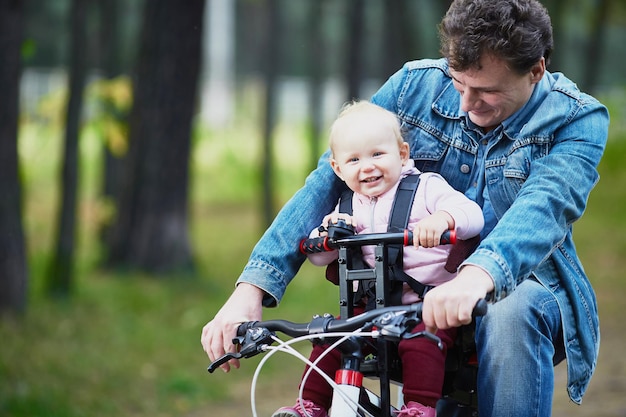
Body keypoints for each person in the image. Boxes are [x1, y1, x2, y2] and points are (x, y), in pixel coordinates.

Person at [201, 1, 609, 416]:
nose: (467, 103)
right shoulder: (413, 86)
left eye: (487, 91)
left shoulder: (577, 120)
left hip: (521, 284)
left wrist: (475, 277)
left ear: (536, 70)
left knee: (511, 311)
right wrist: (251, 290)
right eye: (458, 83)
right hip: (408, 293)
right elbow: (326, 180)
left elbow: (543, 210)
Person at [272, 101, 484, 417]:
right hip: (368, 308)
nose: (367, 166)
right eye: (354, 159)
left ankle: (418, 408)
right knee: (330, 337)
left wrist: (443, 219)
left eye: (377, 154)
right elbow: (319, 258)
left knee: (423, 341)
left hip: (427, 305)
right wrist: (329, 235)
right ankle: (311, 405)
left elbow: (473, 214)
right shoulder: (346, 206)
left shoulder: (425, 188)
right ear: (338, 169)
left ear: (401, 154)